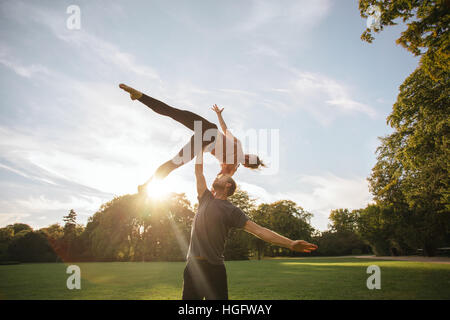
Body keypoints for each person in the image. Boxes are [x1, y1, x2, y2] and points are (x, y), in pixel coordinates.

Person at [182, 150, 318, 300]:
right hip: (193, 268)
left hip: (214, 269)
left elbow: (259, 231)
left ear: (228, 185)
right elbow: (198, 172)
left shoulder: (232, 211)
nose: (219, 176)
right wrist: (201, 149)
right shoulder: (205, 198)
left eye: (222, 177)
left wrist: (291, 243)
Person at [119, 84, 264, 191]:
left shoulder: (237, 146)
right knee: (173, 163)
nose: (245, 158)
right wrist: (212, 193)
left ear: (248, 158)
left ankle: (140, 97)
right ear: (247, 164)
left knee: (173, 113)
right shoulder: (232, 167)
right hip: (206, 139)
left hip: (207, 132)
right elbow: (219, 180)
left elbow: (224, 130)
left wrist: (219, 115)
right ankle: (146, 186)